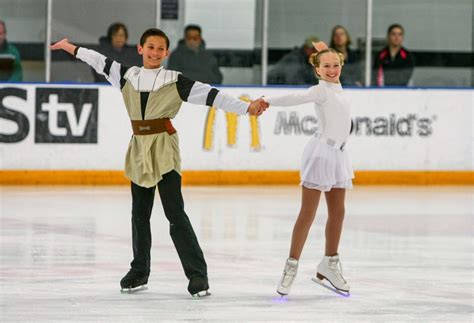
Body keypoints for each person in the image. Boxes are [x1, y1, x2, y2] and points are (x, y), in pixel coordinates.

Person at [49, 28, 266, 297]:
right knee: (139, 214)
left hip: (164, 147)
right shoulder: (126, 75)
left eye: (160, 48)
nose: (154, 52)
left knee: (174, 213)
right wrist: (70, 47)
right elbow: (97, 59)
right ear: (140, 49)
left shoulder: (175, 80)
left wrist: (246, 108)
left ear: (167, 53)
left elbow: (212, 96)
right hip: (139, 148)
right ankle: (139, 271)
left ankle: (198, 275)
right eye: (150, 47)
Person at [262, 41, 353, 296]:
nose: (332, 69)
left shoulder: (336, 86)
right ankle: (290, 267)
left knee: (338, 213)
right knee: (308, 213)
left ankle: (329, 264)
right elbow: (295, 97)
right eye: (326, 66)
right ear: (317, 70)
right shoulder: (321, 90)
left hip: (339, 155)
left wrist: (326, 51)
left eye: (336, 65)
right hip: (322, 155)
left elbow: (329, 61)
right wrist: (267, 99)